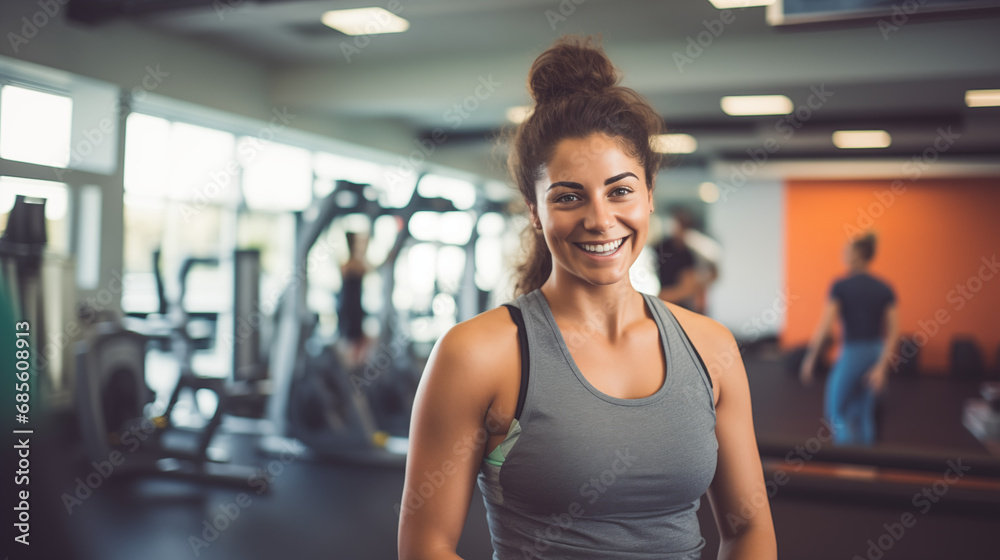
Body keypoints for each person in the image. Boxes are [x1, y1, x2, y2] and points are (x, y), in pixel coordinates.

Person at [398, 37, 776, 560]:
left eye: (620, 190)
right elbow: (426, 546)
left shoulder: (711, 347)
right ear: (534, 210)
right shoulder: (477, 354)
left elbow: (750, 530)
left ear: (649, 196)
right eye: (569, 196)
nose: (600, 219)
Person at [800, 232, 898, 446]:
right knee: (863, 413)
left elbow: (825, 327)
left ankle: (848, 463)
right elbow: (893, 334)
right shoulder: (885, 288)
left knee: (835, 412)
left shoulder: (841, 286)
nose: (842, 255)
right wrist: (882, 368)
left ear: (858, 254)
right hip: (875, 352)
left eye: (846, 251)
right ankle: (866, 470)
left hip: (853, 353)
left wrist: (810, 358)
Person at [338, 230, 371, 366]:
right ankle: (352, 371)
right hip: (349, 309)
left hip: (354, 308)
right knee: (352, 346)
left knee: (359, 343)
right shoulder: (350, 265)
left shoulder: (353, 264)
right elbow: (364, 268)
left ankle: (354, 368)